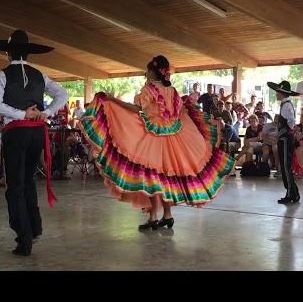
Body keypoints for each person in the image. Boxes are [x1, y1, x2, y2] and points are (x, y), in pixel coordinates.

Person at [80, 55, 234, 231]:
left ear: (153, 73)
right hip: (175, 136)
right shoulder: (172, 91)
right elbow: (179, 111)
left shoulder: (149, 89)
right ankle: (166, 216)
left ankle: (154, 217)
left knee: (153, 178)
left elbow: (138, 109)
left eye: (147, 72)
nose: (146, 75)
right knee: (165, 178)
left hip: (153, 136)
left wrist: (113, 100)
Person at [0, 29, 69, 256]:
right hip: (37, 133)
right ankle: (35, 228)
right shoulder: (40, 74)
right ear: (28, 54)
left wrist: (23, 115)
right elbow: (63, 94)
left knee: (16, 184)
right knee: (28, 180)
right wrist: (45, 112)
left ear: (8, 53)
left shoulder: (1, 75)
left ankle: (24, 236)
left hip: (17, 132)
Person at [267, 80, 301, 204]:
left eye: (277, 91)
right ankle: (292, 193)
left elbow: (290, 123)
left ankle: (292, 193)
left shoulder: (287, 106)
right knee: (285, 166)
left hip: (286, 139)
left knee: (286, 167)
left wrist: (282, 134)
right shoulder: (284, 105)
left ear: (281, 93)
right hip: (284, 138)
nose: (276, 94)